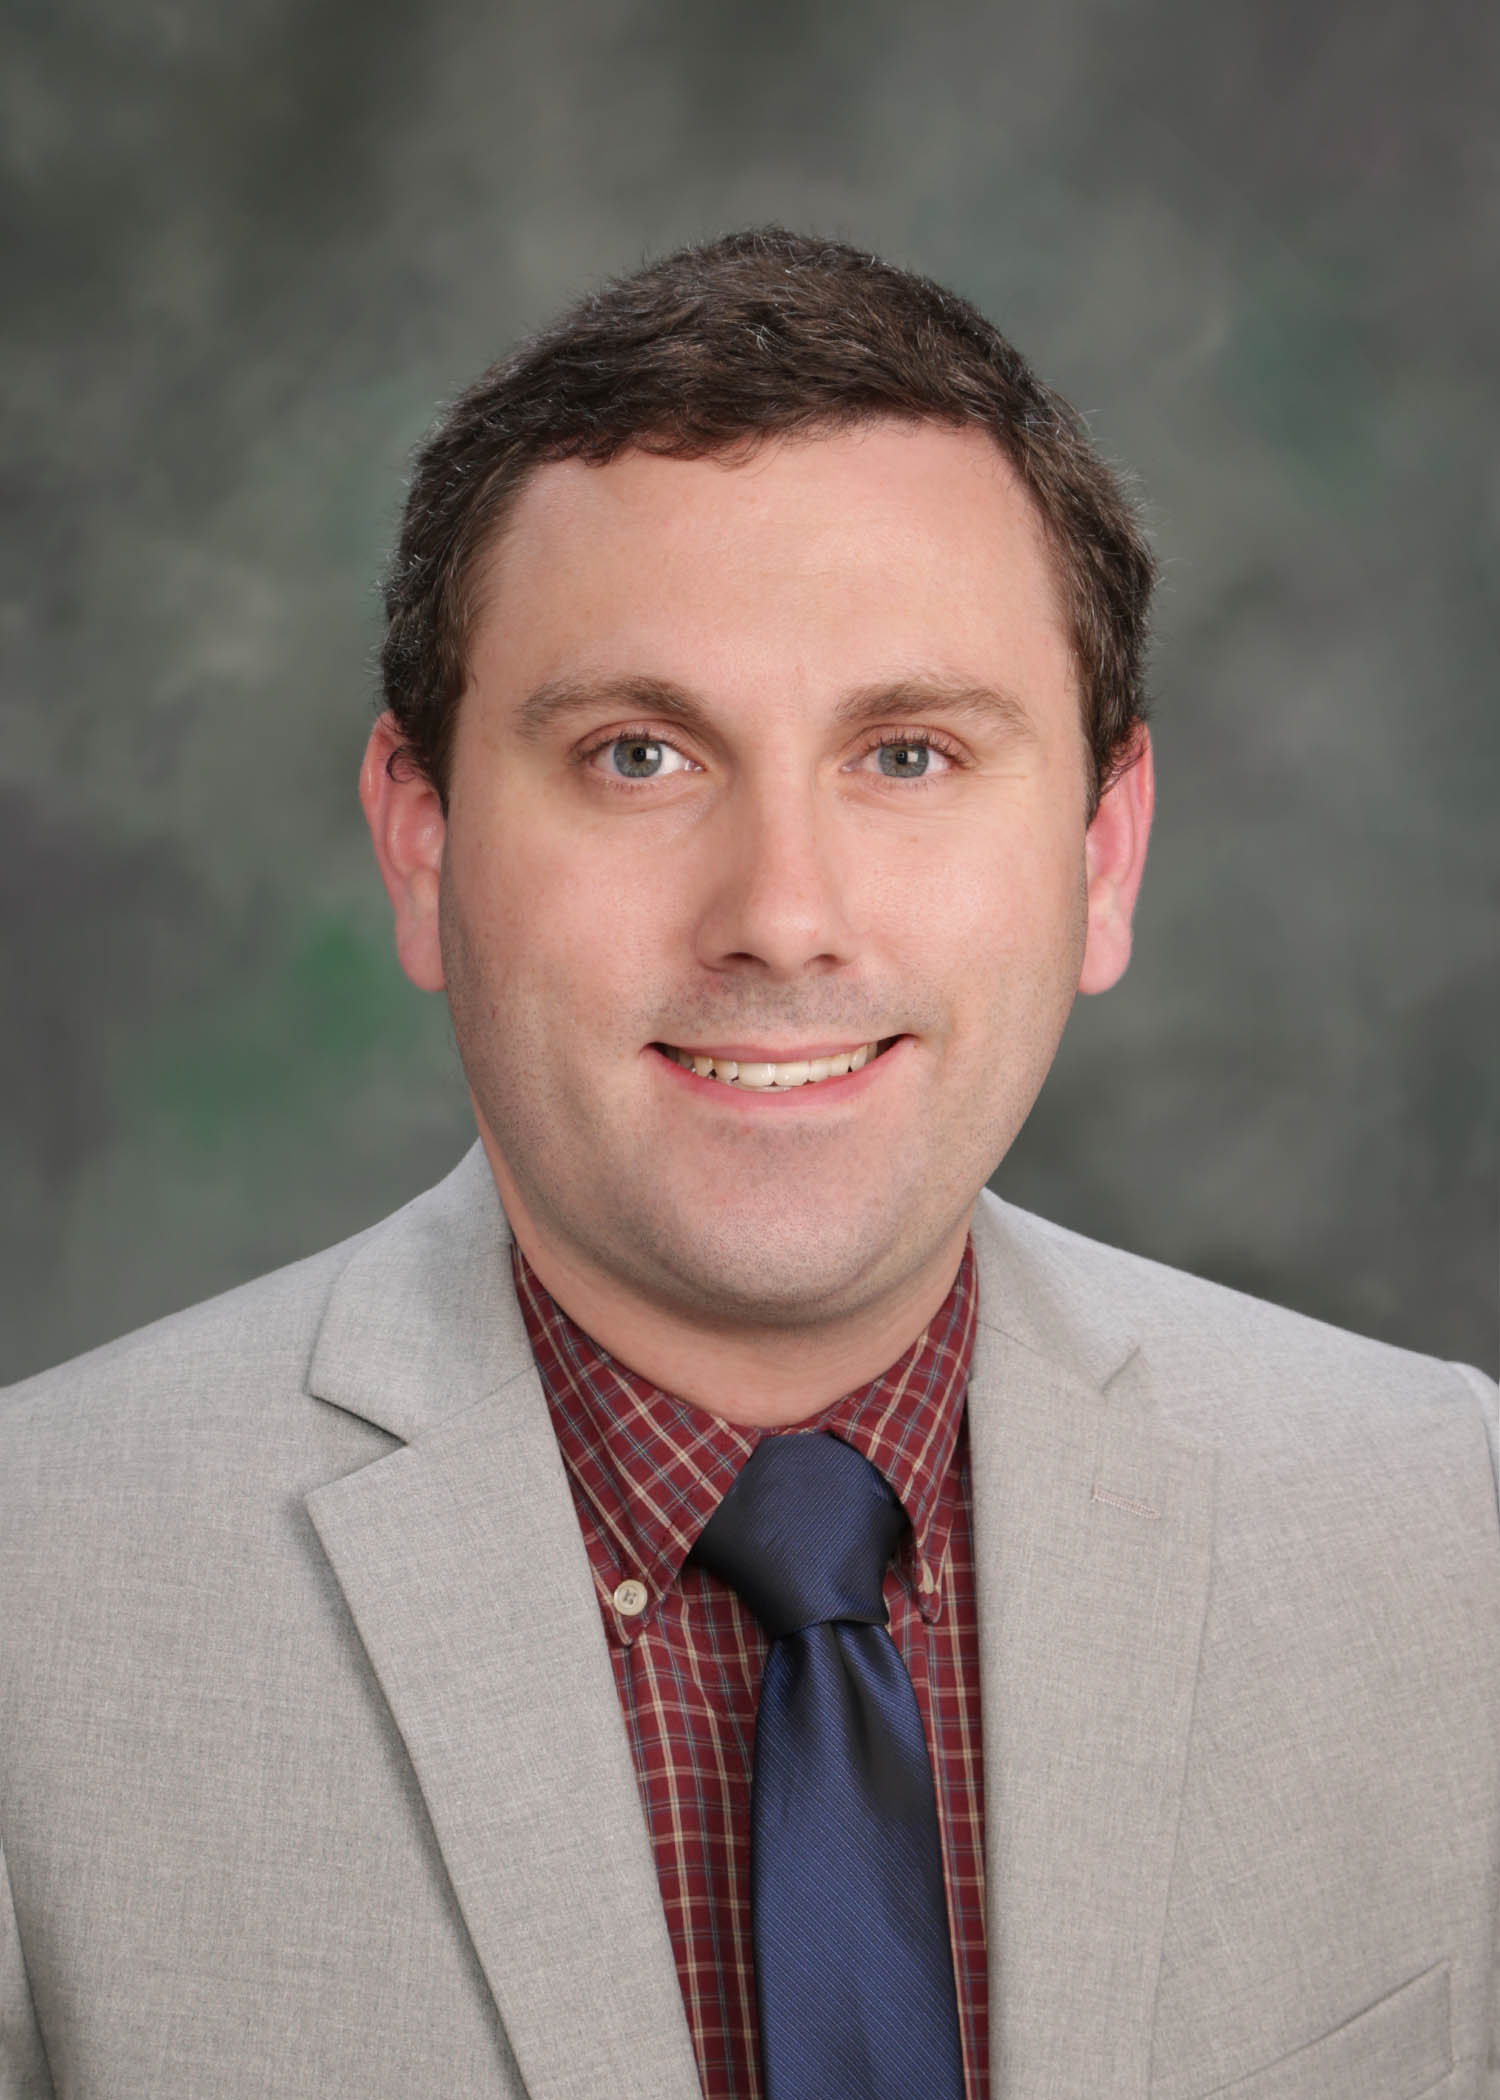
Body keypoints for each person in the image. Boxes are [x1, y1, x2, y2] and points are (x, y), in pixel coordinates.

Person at [1, 229, 1495, 2100]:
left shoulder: (1450, 1531)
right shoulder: (34, 1608)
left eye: (910, 756)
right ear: (421, 843)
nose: (782, 916)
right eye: (640, 756)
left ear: (1103, 856)